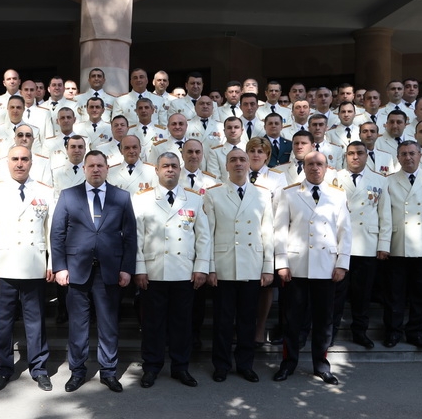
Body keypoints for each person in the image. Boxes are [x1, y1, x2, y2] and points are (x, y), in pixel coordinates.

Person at [51, 150, 137, 392]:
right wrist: (60, 267)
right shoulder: (68, 196)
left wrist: (127, 269)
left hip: (109, 271)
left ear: (108, 168)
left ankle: (108, 372)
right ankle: (77, 372)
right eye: (91, 166)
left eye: (100, 165)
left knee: (108, 325)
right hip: (76, 270)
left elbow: (130, 237)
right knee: (78, 325)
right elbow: (57, 234)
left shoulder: (121, 197)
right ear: (84, 169)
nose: (96, 169)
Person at [0, 145, 55, 392]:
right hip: (4, 267)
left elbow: (51, 232)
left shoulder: (45, 191)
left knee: (36, 322)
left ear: (31, 162)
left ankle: (39, 368)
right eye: (15, 159)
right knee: (3, 323)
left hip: (34, 266)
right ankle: (3, 369)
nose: (19, 163)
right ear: (7, 162)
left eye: (24, 159)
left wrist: (52, 263)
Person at [133, 152, 211, 388]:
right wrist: (139, 268)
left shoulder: (194, 199)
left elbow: (203, 237)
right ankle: (151, 367)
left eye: (174, 166)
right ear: (157, 170)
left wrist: (201, 268)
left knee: (182, 324)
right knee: (152, 324)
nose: (170, 170)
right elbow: (136, 237)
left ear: (180, 170)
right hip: (153, 271)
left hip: (184, 272)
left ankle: (180, 367)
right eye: (165, 166)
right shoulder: (142, 199)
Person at [273, 151, 350, 385]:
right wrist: (281, 263)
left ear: (326, 168)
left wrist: (342, 264)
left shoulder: (337, 194)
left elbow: (345, 231)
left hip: (326, 266)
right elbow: (280, 230)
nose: (315, 168)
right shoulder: (289, 193)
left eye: (319, 164)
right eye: (310, 164)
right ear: (304, 167)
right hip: (297, 265)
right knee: (292, 320)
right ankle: (288, 363)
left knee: (324, 320)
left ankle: (321, 365)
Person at [203, 148, 274, 382]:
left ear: (249, 164)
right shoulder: (213, 194)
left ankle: (245, 364)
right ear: (226, 166)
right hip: (224, 265)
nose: (238, 163)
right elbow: (208, 234)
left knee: (247, 320)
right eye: (233, 160)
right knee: (223, 321)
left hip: (252, 264)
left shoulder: (263, 195)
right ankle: (221, 365)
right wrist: (210, 267)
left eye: (242, 159)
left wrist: (268, 267)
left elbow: (268, 233)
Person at [379, 140, 422, 349]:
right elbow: (385, 216)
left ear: (420, 155)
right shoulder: (388, 181)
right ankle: (393, 332)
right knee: (394, 293)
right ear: (398, 158)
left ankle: (415, 332)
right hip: (398, 244)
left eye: (412, 153)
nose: (408, 157)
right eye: (403, 154)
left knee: (421, 294)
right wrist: (384, 244)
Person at [332, 141, 391, 349]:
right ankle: (331, 332)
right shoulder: (334, 177)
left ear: (367, 156)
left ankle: (360, 332)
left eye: (359, 153)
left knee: (363, 294)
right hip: (340, 245)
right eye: (351, 153)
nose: (355, 157)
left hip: (367, 243)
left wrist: (384, 244)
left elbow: (385, 214)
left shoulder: (380, 180)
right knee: (337, 294)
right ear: (345, 156)